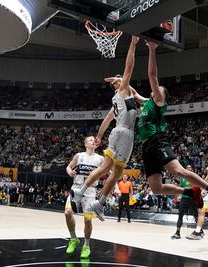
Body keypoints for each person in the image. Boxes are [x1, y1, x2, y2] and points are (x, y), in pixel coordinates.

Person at [137, 42, 208, 219]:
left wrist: (151, 49)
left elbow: (152, 75)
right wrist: (119, 83)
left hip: (157, 141)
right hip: (146, 147)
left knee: (178, 171)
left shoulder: (158, 102)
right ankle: (189, 192)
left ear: (162, 96)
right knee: (156, 189)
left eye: (160, 90)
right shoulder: (145, 103)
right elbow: (132, 92)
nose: (156, 90)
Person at [71, 36, 147, 221]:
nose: (124, 80)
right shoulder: (122, 91)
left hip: (117, 132)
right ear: (119, 84)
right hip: (125, 133)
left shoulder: (122, 98)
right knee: (114, 170)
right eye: (121, 80)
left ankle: (94, 199)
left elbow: (107, 119)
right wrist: (132, 44)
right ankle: (92, 197)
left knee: (110, 169)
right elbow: (129, 67)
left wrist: (99, 136)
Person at [64, 136, 104, 259]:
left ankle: (86, 245)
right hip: (76, 187)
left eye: (94, 140)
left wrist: (115, 187)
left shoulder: (100, 158)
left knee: (87, 220)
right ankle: (74, 238)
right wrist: (69, 171)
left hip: (91, 190)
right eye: (91, 140)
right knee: (67, 212)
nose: (93, 141)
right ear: (86, 144)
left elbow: (111, 172)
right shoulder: (79, 156)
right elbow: (68, 166)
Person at [171, 165, 200, 239]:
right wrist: (175, 197)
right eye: (187, 168)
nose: (188, 169)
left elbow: (197, 189)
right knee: (180, 216)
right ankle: (177, 233)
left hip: (192, 199)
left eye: (190, 168)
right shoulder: (182, 178)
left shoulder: (194, 178)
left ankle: (200, 231)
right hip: (184, 199)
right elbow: (179, 188)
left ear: (192, 169)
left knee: (196, 216)